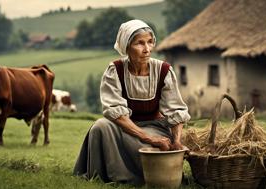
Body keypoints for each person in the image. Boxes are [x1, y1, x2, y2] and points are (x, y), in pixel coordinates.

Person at [73, 19, 190, 185]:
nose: (147, 49)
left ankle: (146, 178)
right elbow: (115, 113)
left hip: (154, 127)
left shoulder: (163, 70)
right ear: (126, 46)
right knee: (100, 127)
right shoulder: (115, 70)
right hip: (125, 126)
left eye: (150, 42)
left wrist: (177, 140)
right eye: (140, 43)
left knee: (151, 151)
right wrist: (148, 138)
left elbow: (176, 110)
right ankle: (106, 177)